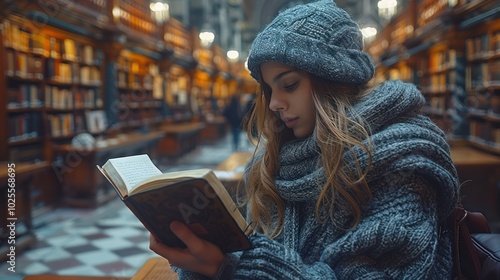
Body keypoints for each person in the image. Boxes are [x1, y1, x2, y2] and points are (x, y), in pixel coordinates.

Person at [150, 0, 460, 279]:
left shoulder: (399, 165)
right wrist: (203, 260)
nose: (274, 104)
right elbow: (249, 246)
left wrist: (235, 267)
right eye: (270, 90)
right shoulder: (275, 159)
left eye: (289, 84)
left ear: (335, 78)